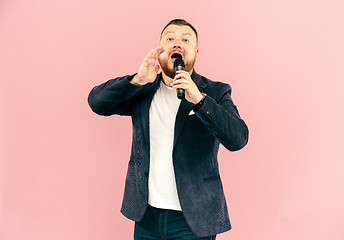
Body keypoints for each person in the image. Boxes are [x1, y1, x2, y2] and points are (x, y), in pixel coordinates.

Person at [88, 19, 249, 240]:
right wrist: (136, 80)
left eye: (185, 40)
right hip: (146, 216)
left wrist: (200, 101)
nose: (177, 44)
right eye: (170, 38)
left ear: (196, 52)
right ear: (160, 49)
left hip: (193, 220)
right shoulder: (142, 90)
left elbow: (238, 139)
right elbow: (97, 103)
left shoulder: (215, 91)